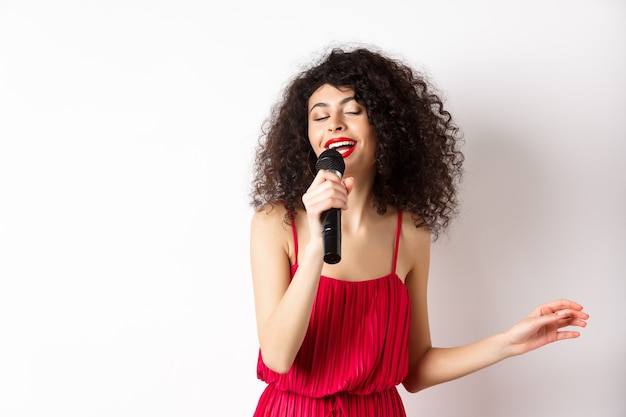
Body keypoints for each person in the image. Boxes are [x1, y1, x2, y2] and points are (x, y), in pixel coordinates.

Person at [248, 44, 589, 417]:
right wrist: (316, 247)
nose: (334, 124)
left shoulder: (409, 233)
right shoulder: (275, 224)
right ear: (306, 136)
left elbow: (416, 369)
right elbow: (278, 357)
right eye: (320, 116)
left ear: (386, 127)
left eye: (354, 111)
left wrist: (508, 344)